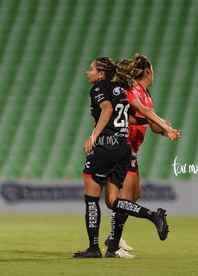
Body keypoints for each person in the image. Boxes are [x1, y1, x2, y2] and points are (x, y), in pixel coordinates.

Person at [73, 57, 179, 259]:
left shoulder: (99, 89)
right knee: (118, 199)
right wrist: (165, 127)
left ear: (101, 73)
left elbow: (107, 110)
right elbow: (138, 115)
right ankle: (114, 243)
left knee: (94, 198)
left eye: (91, 69)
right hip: (124, 148)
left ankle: (97, 247)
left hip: (107, 144)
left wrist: (93, 136)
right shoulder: (122, 90)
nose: (88, 72)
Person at [105, 54, 181, 256]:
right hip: (123, 148)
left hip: (132, 150)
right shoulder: (133, 92)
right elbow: (127, 118)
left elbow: (151, 124)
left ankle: (114, 238)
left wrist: (164, 129)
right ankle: (114, 243)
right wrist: (159, 124)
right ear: (148, 71)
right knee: (123, 198)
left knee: (134, 195)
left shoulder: (146, 94)